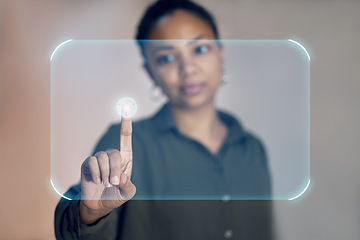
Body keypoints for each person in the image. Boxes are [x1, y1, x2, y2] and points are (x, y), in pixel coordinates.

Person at [54, 0, 273, 239]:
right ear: (150, 72)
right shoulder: (128, 145)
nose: (188, 68)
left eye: (200, 49)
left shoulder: (253, 149)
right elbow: (74, 225)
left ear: (221, 53)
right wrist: (89, 213)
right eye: (167, 58)